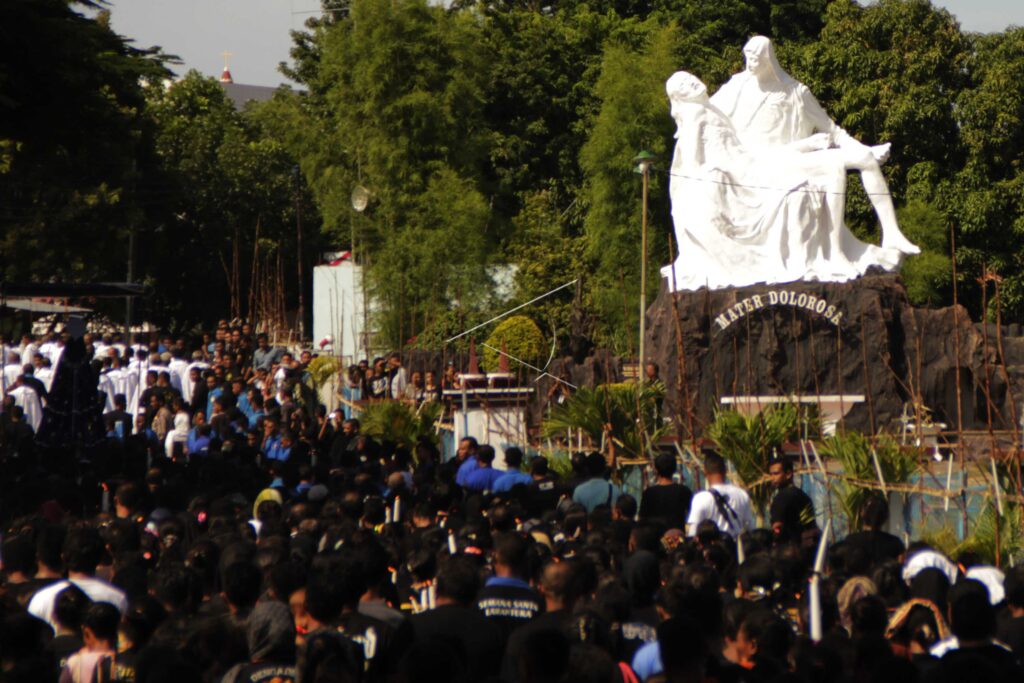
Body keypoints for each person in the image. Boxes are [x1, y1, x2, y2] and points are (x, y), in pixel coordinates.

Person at [710, 35, 919, 256]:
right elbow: (707, 111)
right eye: (747, 57)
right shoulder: (736, 87)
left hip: (791, 159)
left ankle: (892, 233)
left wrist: (864, 149)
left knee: (866, 160)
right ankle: (835, 251)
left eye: (756, 59)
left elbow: (833, 131)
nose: (750, 64)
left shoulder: (796, 92)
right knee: (834, 167)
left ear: (768, 59)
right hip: (754, 165)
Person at [686, 452, 754, 537]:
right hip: (734, 546)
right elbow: (749, 527)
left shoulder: (701, 498)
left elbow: (693, 531)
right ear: (725, 471)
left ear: (705, 472)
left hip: (712, 547)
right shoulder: (742, 494)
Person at [638, 453, 693, 529]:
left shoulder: (649, 493)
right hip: (676, 538)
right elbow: (690, 514)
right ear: (674, 470)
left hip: (653, 537)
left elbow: (642, 519)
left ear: (656, 470)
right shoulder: (684, 491)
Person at [767, 456, 815, 542]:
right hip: (808, 547)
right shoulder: (802, 495)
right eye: (771, 474)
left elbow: (777, 528)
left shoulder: (782, 498)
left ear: (788, 474)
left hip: (788, 548)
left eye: (776, 474)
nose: (772, 478)